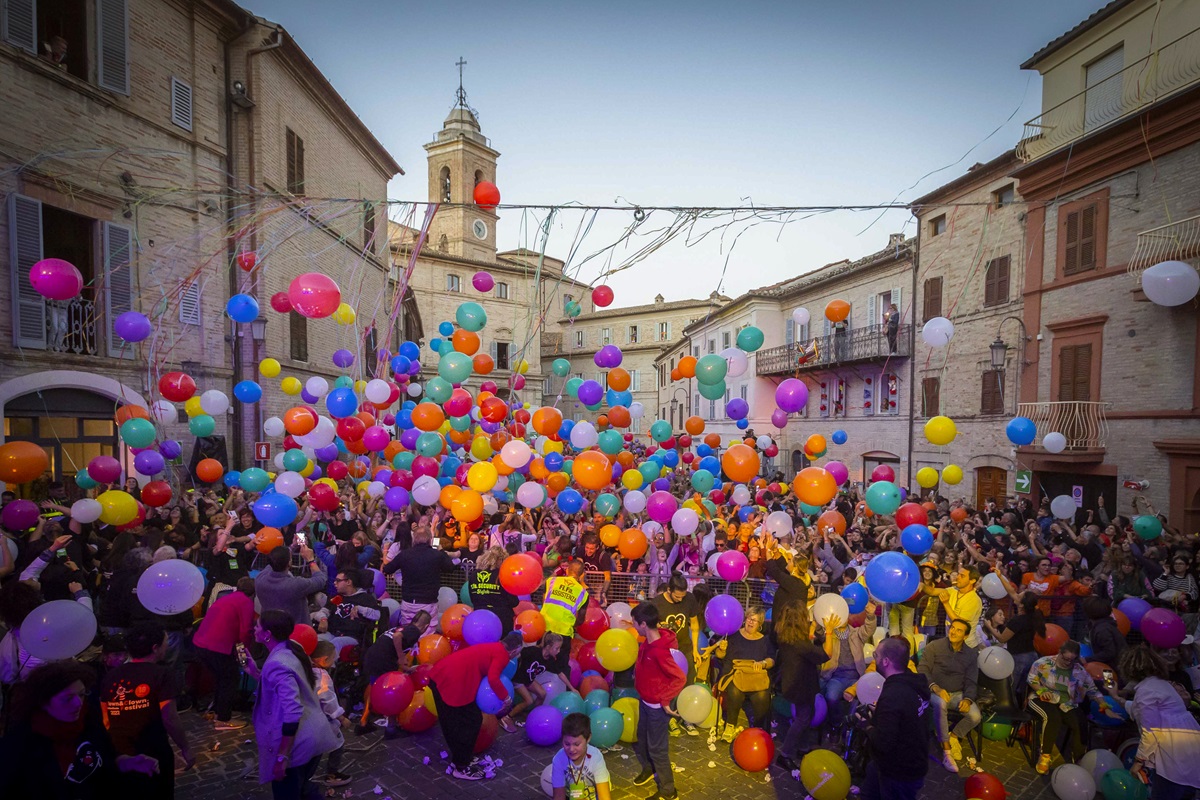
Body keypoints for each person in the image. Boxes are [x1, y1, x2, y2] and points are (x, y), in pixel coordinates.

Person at [0, 660, 160, 797]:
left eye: (82, 695)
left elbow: (107, 757)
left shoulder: (89, 721)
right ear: (43, 701)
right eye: (68, 698)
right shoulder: (21, 742)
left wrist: (127, 762)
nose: (78, 703)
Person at [243, 609, 341, 799]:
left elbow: (292, 712)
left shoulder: (278, 663)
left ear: (267, 634)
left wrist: (282, 757)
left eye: (257, 626)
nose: (254, 629)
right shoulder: (293, 647)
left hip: (298, 744)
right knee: (304, 789)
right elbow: (288, 686)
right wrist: (256, 673)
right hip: (314, 735)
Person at [99, 621, 193, 797]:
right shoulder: (162, 674)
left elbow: (105, 717)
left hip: (120, 751)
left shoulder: (110, 676)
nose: (167, 646)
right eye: (165, 642)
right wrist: (185, 748)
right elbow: (170, 717)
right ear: (155, 648)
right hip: (152, 748)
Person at [428, 631, 524, 781]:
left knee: (464, 720)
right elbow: (493, 678)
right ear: (514, 650)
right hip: (450, 680)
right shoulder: (503, 655)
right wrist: (505, 697)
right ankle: (461, 766)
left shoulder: (495, 647)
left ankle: (461, 759)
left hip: (447, 675)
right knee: (465, 722)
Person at [1117, 646, 1200, 799]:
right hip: (1190, 746)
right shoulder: (1162, 685)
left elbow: (1150, 732)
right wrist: (1116, 698)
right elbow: (1137, 707)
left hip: (1173, 752)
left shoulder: (1146, 691)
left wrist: (1139, 761)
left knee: (1166, 792)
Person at [1026, 640, 1116, 774]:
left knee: (1080, 722)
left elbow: (1092, 690)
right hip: (1042, 699)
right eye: (1065, 658)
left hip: (1067, 703)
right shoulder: (1044, 663)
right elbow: (1031, 679)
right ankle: (1045, 756)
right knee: (1053, 718)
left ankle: (1078, 758)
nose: (1067, 662)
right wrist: (1042, 691)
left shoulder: (1079, 670)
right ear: (1059, 653)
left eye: (1071, 660)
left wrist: (1104, 706)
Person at [862, 636, 931, 800]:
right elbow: (906, 716)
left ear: (885, 661)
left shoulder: (893, 694)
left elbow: (883, 742)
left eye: (876, 656)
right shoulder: (915, 682)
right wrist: (881, 713)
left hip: (900, 771)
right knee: (868, 791)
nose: (874, 659)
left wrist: (867, 726)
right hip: (915, 760)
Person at [630, 602, 686, 800]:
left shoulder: (659, 650)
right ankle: (648, 769)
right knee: (642, 739)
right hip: (645, 700)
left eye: (635, 623)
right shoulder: (651, 640)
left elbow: (679, 678)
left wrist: (664, 701)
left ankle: (668, 791)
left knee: (657, 748)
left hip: (655, 707)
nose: (633, 626)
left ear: (644, 624)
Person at [192, 575, 255, 730]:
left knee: (220, 678)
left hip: (201, 643)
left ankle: (216, 711)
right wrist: (244, 652)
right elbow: (245, 631)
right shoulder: (246, 602)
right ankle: (223, 719)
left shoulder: (226, 598)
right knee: (230, 679)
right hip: (219, 647)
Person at [918, 619, 980, 772]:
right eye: (952, 628)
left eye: (959, 630)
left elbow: (971, 681)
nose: (953, 631)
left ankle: (953, 736)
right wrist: (935, 688)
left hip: (958, 693)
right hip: (934, 692)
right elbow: (923, 669)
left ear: (965, 636)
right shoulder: (935, 646)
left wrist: (967, 698)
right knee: (941, 704)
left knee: (975, 716)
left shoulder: (971, 655)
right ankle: (947, 751)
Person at [773, 601, 828, 771]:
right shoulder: (800, 644)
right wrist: (831, 631)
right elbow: (825, 655)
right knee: (803, 718)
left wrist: (810, 632)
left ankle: (803, 748)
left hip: (793, 683)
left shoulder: (786, 637)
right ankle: (785, 754)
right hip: (802, 685)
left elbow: (805, 645)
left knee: (807, 715)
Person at [714, 605, 775, 741]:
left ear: (760, 624)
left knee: (762, 695)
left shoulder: (765, 640)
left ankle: (758, 729)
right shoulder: (733, 635)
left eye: (755, 620)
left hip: (755, 676)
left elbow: (772, 660)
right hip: (735, 674)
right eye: (749, 618)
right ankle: (730, 726)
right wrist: (722, 650)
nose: (751, 622)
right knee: (735, 691)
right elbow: (719, 656)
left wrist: (763, 663)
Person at [382, 524, 458, 626]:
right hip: (428, 602)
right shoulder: (436, 555)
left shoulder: (404, 555)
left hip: (408, 601)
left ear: (414, 539)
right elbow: (450, 568)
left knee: (408, 632)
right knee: (428, 632)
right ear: (430, 540)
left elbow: (387, 569)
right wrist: (441, 551)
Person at [503, 631, 574, 732]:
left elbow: (560, 674)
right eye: (556, 648)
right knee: (529, 701)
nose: (558, 651)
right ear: (548, 647)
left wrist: (572, 688)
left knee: (542, 694)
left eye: (559, 648)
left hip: (528, 680)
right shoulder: (533, 652)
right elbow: (516, 654)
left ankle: (531, 718)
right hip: (518, 679)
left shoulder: (550, 660)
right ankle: (506, 717)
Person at [254, 543, 326, 626]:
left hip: (271, 628)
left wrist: (292, 546)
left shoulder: (260, 579)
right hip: (295, 631)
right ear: (289, 562)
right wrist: (311, 560)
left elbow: (276, 560)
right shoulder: (295, 585)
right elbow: (321, 580)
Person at [310, 641, 350, 787]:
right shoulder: (323, 677)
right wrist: (341, 717)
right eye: (333, 659)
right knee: (338, 744)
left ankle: (306, 774)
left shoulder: (306, 670)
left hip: (310, 717)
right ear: (324, 660)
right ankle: (332, 774)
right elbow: (328, 699)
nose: (334, 662)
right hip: (325, 719)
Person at [549, 711, 612, 800]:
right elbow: (559, 796)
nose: (571, 749)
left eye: (577, 744)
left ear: (588, 738)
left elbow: (604, 796)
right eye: (567, 744)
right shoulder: (559, 759)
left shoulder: (596, 757)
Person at [924, 565, 983, 647]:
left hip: (965, 646)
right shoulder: (953, 590)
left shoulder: (974, 600)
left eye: (962, 576)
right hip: (951, 642)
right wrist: (922, 586)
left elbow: (958, 623)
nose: (957, 577)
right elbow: (933, 591)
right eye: (958, 574)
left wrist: (946, 603)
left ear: (972, 580)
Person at [320, 567, 381, 645]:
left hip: (352, 637)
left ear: (348, 582)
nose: (335, 583)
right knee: (316, 639)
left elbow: (377, 615)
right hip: (333, 633)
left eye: (338, 581)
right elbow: (323, 611)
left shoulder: (365, 598)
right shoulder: (337, 597)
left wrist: (360, 609)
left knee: (336, 643)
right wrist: (323, 618)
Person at [468, 546, 520, 635]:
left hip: (479, 617)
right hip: (501, 618)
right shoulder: (503, 576)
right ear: (501, 560)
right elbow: (514, 601)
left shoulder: (474, 575)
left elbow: (472, 598)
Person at [540, 560, 590, 639]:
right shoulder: (583, 593)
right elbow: (580, 620)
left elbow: (544, 602)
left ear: (567, 570)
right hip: (564, 633)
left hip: (544, 628)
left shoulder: (552, 581)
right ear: (582, 574)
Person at [1084, 596, 1126, 668]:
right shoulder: (1099, 626)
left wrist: (1087, 659)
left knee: (1109, 679)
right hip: (1108, 665)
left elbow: (1109, 653)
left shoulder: (1102, 630)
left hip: (1112, 666)